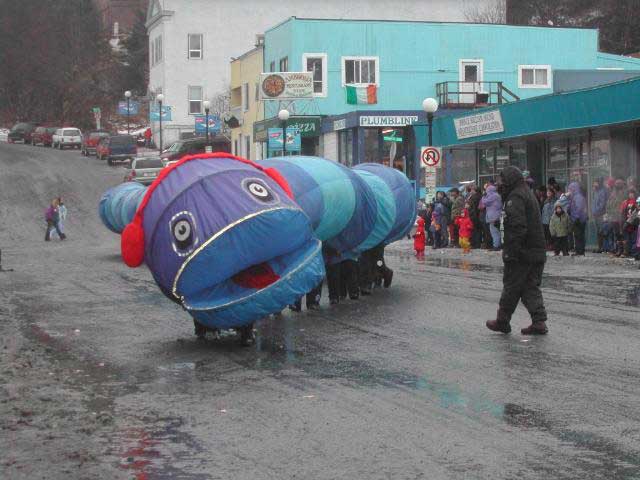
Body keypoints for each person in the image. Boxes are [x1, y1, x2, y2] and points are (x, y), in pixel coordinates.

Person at [486, 166, 548, 335]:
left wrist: (510, 252)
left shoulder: (516, 196)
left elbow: (518, 226)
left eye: (502, 181)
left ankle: (502, 320)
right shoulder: (526, 192)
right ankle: (539, 321)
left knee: (511, 286)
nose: (500, 185)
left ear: (510, 180)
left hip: (522, 252)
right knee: (529, 287)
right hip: (535, 251)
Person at [606, 178, 627, 256]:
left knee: (623, 234)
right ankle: (619, 250)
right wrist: (608, 211)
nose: (617, 185)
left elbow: (626, 204)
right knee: (617, 234)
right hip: (614, 217)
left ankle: (625, 251)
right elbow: (608, 203)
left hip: (622, 217)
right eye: (617, 184)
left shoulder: (625, 193)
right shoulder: (613, 193)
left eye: (619, 184)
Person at [566, 182, 587, 256]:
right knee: (577, 235)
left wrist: (577, 217)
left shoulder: (578, 197)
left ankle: (580, 251)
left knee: (579, 235)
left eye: (570, 189)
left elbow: (579, 208)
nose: (569, 190)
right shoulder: (574, 196)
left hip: (579, 219)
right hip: (577, 219)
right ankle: (579, 250)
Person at [481, 183, 503, 250]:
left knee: (494, 231)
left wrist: (483, 196)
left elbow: (484, 202)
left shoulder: (493, 196)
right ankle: (497, 244)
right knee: (496, 231)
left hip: (493, 216)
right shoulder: (497, 195)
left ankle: (496, 245)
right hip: (496, 215)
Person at [591, 180, 608, 253]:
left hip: (600, 214)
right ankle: (600, 247)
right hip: (596, 214)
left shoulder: (602, 192)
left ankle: (603, 247)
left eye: (596, 183)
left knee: (602, 231)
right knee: (598, 231)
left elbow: (602, 204)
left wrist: (596, 211)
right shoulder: (596, 192)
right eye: (594, 183)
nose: (594, 185)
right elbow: (594, 203)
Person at [620, 190, 638, 257]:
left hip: (633, 223)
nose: (631, 195)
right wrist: (623, 222)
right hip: (626, 222)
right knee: (627, 239)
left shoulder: (636, 202)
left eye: (632, 193)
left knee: (634, 238)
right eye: (630, 193)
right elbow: (622, 212)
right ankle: (627, 252)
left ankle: (633, 253)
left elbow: (635, 213)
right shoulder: (625, 202)